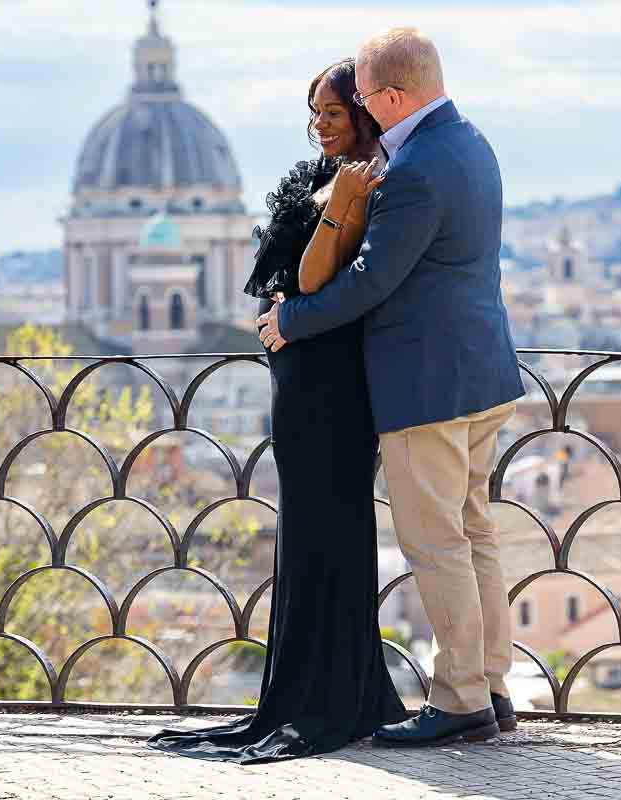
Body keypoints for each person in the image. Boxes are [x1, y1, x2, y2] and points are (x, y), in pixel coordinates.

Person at [256, 27, 526, 747]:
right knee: (475, 536)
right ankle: (492, 686)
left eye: (369, 99)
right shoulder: (471, 143)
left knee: (437, 544)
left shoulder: (414, 169)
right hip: (483, 371)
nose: (367, 114)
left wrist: (293, 319)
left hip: (428, 385)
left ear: (393, 95)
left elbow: (374, 278)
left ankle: (461, 698)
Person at [148, 58, 407, 764]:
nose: (321, 125)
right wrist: (286, 306)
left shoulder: (370, 181)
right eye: (314, 113)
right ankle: (302, 690)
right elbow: (270, 278)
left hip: (332, 384)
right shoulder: (312, 175)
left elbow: (312, 280)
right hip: (296, 383)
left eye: (334, 113)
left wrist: (334, 217)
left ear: (365, 114)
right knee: (307, 535)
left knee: (334, 530)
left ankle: (332, 695)